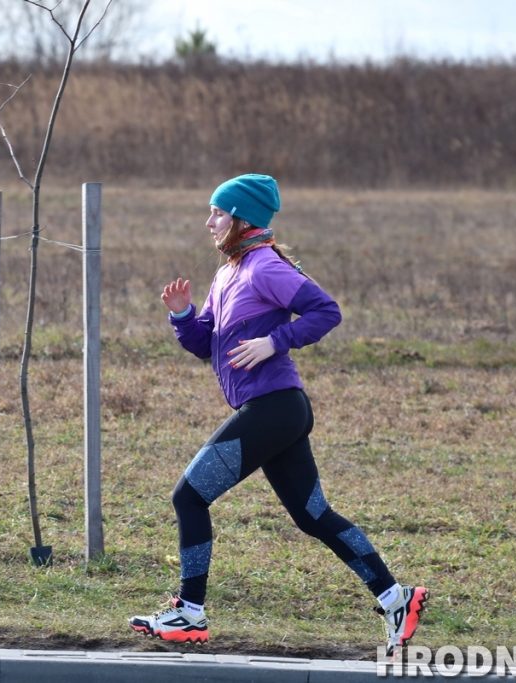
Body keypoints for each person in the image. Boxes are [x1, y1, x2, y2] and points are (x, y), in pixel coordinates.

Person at [129, 173, 427, 655]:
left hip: (274, 407)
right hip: (277, 411)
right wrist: (183, 315)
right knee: (314, 516)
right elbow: (206, 344)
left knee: (189, 497)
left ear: (242, 219)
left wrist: (275, 341)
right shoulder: (228, 272)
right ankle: (397, 598)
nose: (209, 222)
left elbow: (326, 311)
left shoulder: (264, 267)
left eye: (217, 213)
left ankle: (190, 612)